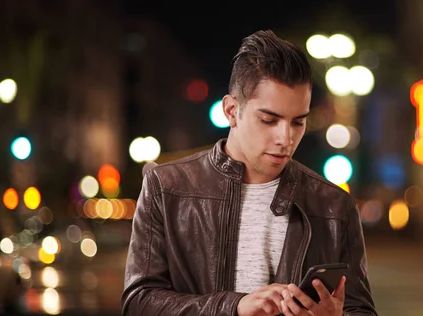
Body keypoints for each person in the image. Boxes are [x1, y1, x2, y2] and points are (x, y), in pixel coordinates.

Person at [121, 29, 377, 316]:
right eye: (269, 120)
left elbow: (361, 309)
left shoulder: (334, 206)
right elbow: (138, 304)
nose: (285, 138)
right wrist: (235, 306)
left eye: (298, 123)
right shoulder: (166, 188)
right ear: (231, 111)